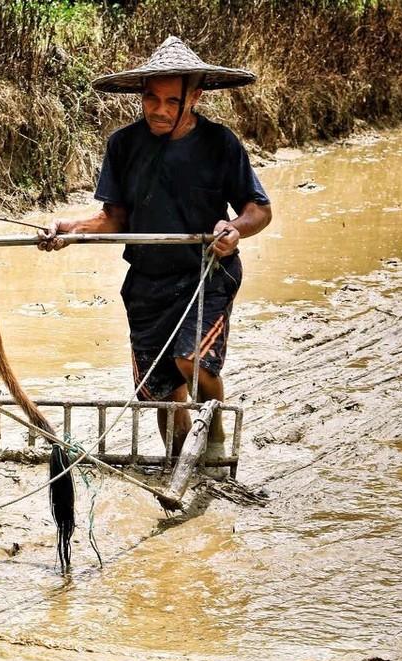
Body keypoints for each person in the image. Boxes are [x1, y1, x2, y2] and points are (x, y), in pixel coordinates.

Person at [37, 36, 271, 470]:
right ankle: (178, 460)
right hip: (147, 280)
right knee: (155, 390)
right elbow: (113, 219)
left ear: (194, 98)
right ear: (141, 96)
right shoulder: (123, 145)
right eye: (151, 98)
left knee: (191, 359)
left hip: (206, 272)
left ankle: (214, 439)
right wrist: (71, 229)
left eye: (171, 101)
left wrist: (233, 230)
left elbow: (258, 209)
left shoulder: (220, 144)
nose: (159, 110)